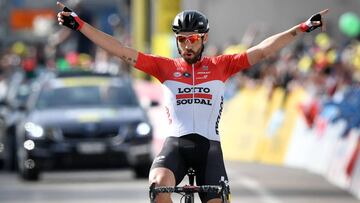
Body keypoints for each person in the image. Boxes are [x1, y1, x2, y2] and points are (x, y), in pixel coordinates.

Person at [56, 2, 328, 202]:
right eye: (182, 39)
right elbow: (119, 49)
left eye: (193, 39)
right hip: (176, 145)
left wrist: (302, 28)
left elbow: (264, 49)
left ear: (204, 39)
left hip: (209, 149)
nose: (187, 44)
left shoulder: (223, 65)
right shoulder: (164, 67)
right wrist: (79, 25)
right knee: (159, 186)